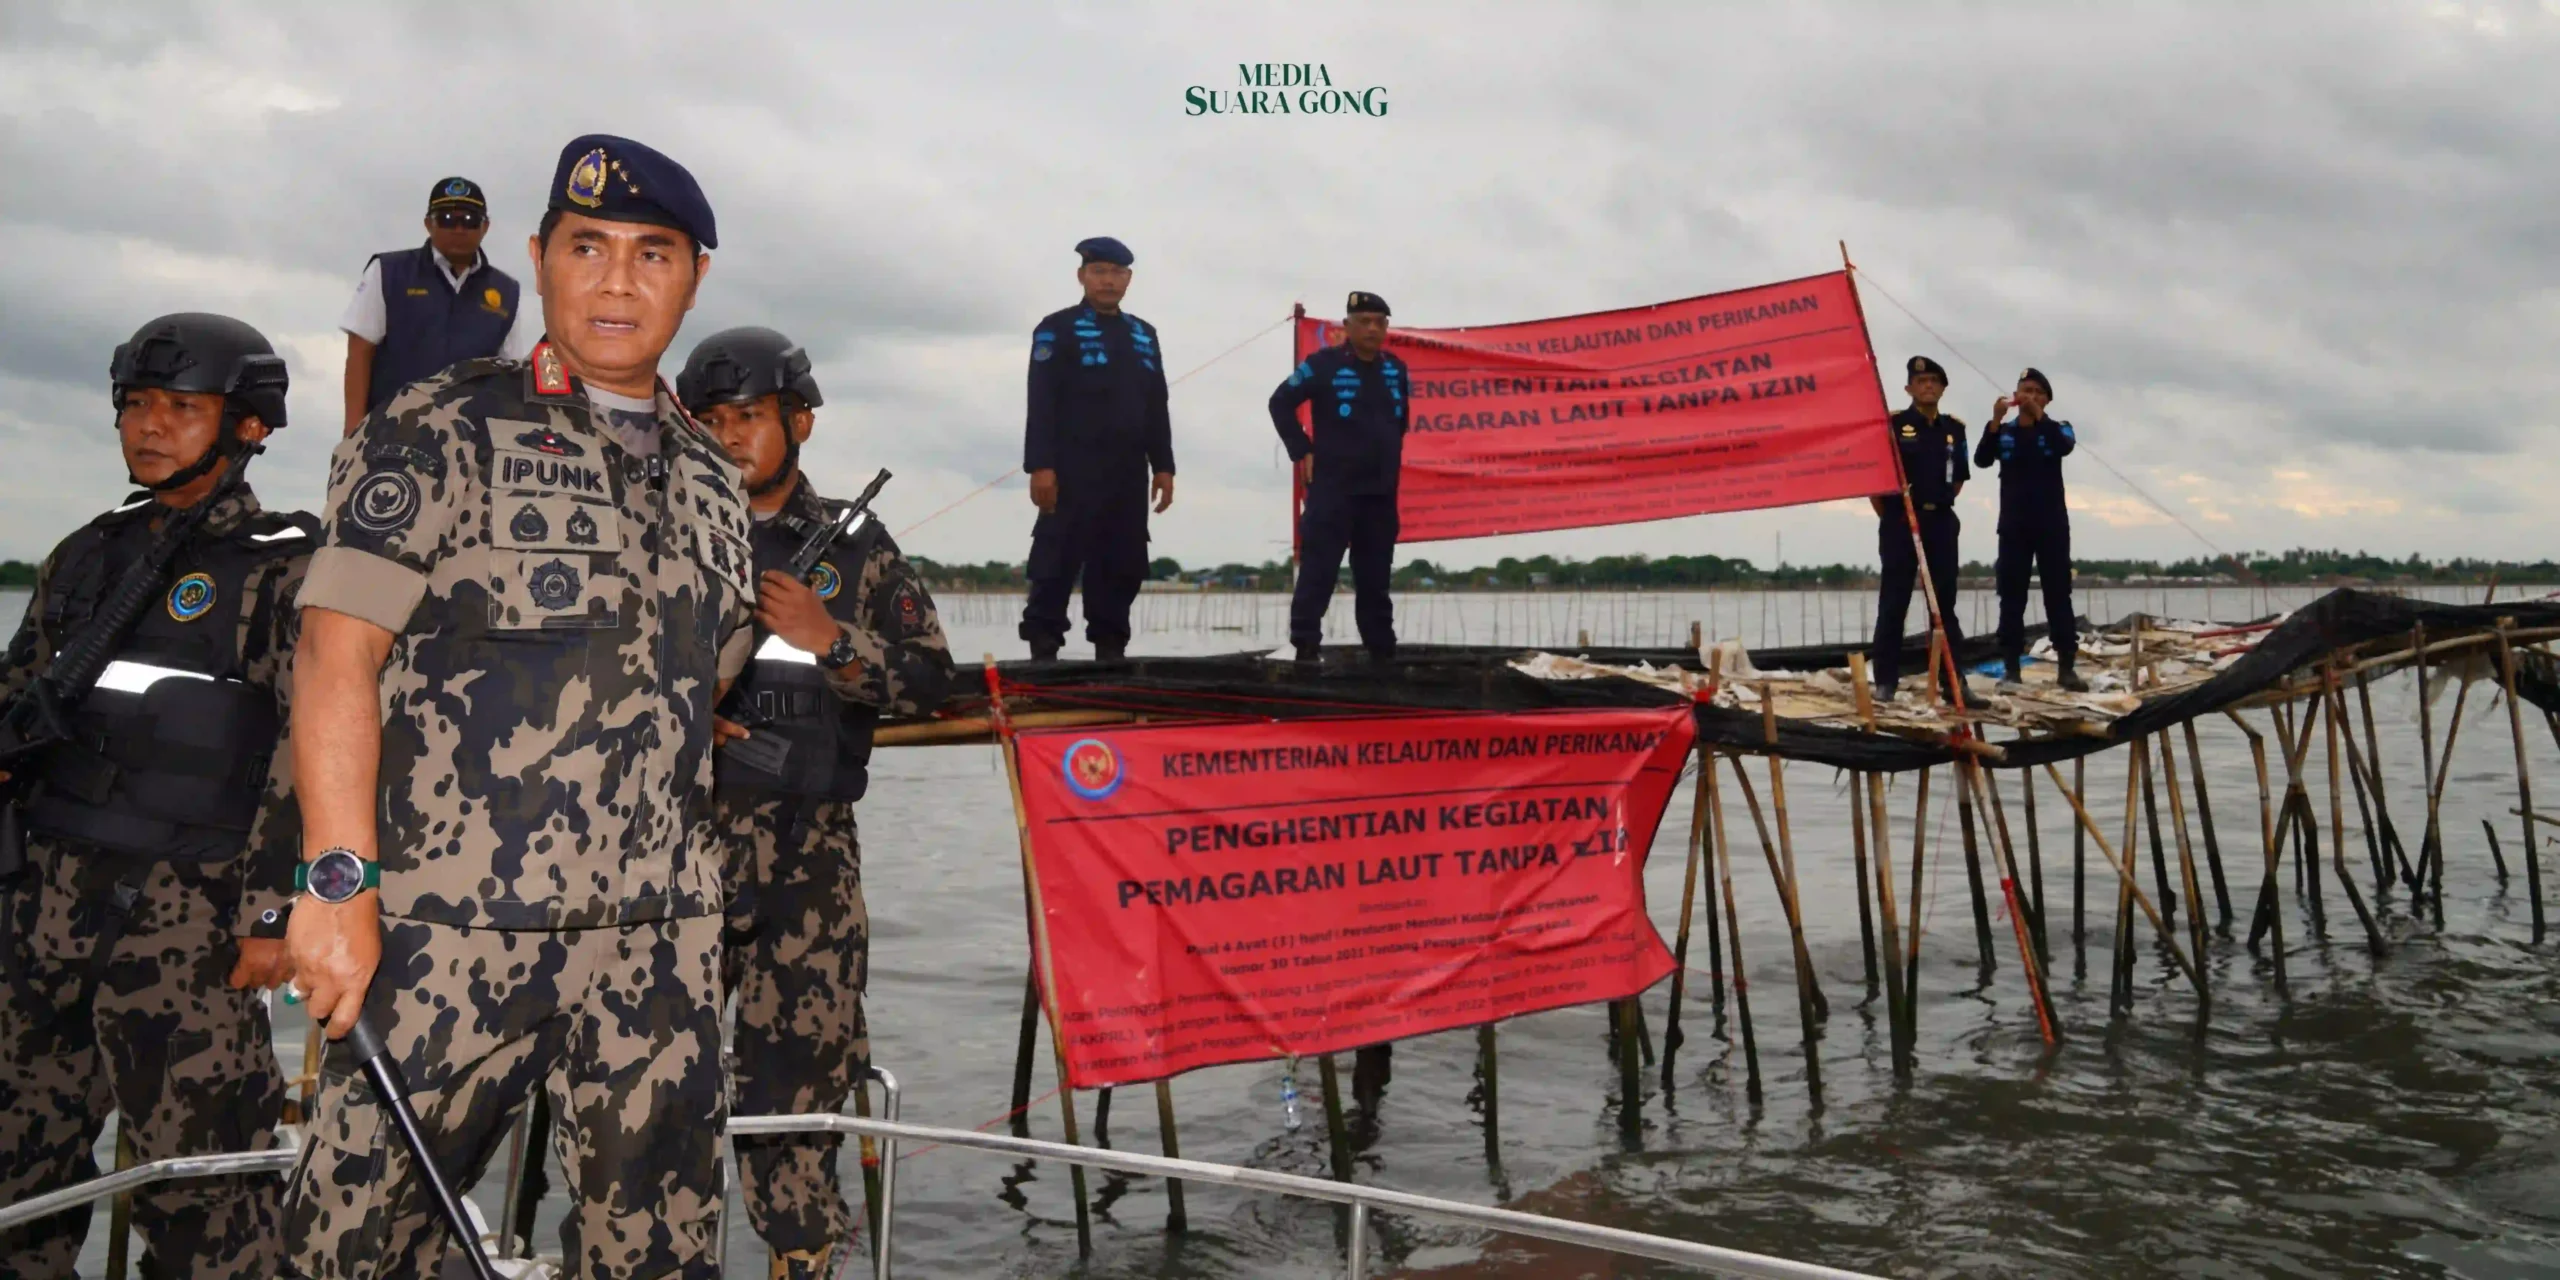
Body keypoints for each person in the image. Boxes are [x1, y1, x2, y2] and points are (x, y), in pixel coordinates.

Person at [283, 135, 751, 1280]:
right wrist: (337, 884)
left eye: (654, 254)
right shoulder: (440, 425)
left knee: (656, 1256)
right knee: (353, 1249)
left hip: (661, 943)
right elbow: (334, 656)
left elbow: (707, 675)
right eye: (587, 247)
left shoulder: (714, 474)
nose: (618, 281)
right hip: (451, 934)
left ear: (695, 276)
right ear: (538, 259)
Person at [0, 313, 310, 1277]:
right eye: (137, 403)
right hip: (43, 906)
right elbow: (18, 703)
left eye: (182, 406)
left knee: (203, 1195)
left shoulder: (286, 569)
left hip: (187, 928)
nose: (150, 425)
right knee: (19, 1173)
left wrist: (270, 912)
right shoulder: (86, 555)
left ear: (247, 426)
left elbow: (312, 752)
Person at [678, 326, 954, 1279]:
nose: (727, 437)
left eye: (747, 417)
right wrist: (679, 719)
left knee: (798, 1091)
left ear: (796, 421)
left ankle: (802, 1261)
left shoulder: (855, 545)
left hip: (809, 858)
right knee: (648, 1088)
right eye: (709, 421)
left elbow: (933, 682)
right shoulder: (660, 534)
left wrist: (832, 637)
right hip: (673, 854)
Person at [1018, 236, 1175, 661]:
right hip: (1070, 468)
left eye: (1117, 273)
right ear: (1082, 276)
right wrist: (1040, 465)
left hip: (1127, 472)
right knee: (1055, 558)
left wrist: (1164, 466)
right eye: (1099, 272)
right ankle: (1043, 648)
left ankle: (1110, 649)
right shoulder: (1057, 328)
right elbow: (1042, 398)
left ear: (1128, 279)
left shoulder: (1145, 334)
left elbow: (1156, 402)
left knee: (1122, 562)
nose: (1108, 281)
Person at [1270, 291, 1409, 665]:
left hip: (1380, 494)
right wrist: (1302, 450)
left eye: (1380, 322)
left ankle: (1382, 655)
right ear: (1346, 326)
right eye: (1364, 321)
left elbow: (1401, 424)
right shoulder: (1323, 364)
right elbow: (1279, 402)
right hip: (1334, 490)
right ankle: (1305, 649)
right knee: (1319, 573)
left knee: (1375, 580)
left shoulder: (1396, 368)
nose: (1372, 328)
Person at [339, 176, 539, 433]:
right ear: (427, 224)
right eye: (446, 219)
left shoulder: (506, 292)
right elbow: (359, 351)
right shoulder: (388, 272)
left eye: (469, 220)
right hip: (389, 434)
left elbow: (509, 375)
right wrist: (352, 434)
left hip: (468, 444)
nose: (458, 229)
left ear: (485, 226)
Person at [1973, 367, 2087, 690]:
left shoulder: (2058, 429)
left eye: (2038, 392)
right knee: (2011, 597)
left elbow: (2065, 446)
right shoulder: (2004, 432)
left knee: (2058, 595)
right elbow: (1982, 459)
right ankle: (2011, 668)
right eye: (2026, 390)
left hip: (2051, 525)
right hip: (2013, 526)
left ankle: (2066, 667)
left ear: (2047, 399)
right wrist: (1994, 420)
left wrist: (2041, 417)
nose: (2031, 397)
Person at [1866, 355, 1968, 696]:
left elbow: (1957, 482)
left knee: (1944, 605)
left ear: (1942, 388)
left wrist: (1933, 505)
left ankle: (1954, 682)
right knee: (1893, 603)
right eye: (1921, 381)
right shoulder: (1892, 425)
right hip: (1899, 521)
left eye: (1934, 381)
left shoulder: (1954, 429)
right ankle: (1885, 682)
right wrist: (1895, 517)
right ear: (1909, 387)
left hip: (1939, 520)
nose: (1928, 386)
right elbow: (1876, 485)